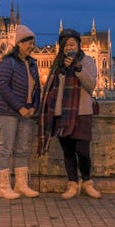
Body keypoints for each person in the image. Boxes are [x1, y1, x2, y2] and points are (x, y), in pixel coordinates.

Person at [38, 28, 101, 199]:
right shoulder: (57, 65)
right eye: (65, 45)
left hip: (81, 113)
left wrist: (77, 67)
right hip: (61, 114)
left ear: (79, 45)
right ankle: (72, 184)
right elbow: (51, 89)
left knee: (82, 151)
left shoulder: (87, 61)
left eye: (72, 44)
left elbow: (91, 84)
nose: (68, 48)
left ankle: (87, 182)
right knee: (68, 152)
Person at [0, 25, 41, 199]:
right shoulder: (7, 62)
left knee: (22, 149)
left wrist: (34, 106)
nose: (32, 46)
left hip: (28, 112)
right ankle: (3, 186)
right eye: (29, 43)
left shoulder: (32, 64)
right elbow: (3, 87)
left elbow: (38, 89)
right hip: (9, 112)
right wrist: (19, 107)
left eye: (33, 43)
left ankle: (21, 185)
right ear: (19, 43)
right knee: (6, 148)